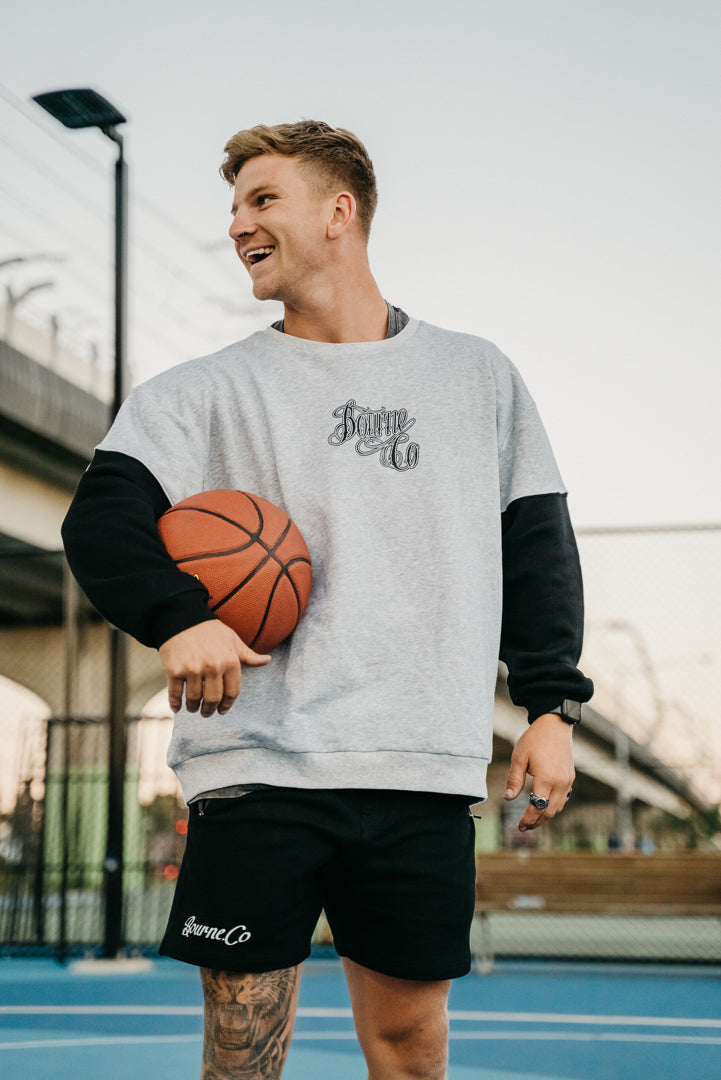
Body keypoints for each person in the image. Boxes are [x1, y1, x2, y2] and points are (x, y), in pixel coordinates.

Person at [62, 120, 593, 1080]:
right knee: (242, 1059)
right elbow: (100, 523)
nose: (236, 224)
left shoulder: (476, 376)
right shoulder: (201, 393)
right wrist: (180, 615)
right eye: (233, 206)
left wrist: (550, 706)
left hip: (417, 765)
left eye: (261, 199)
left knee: (407, 1049)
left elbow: (537, 549)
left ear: (339, 211)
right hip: (258, 764)